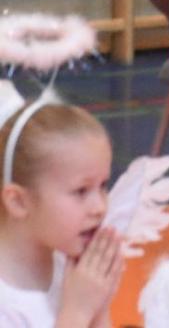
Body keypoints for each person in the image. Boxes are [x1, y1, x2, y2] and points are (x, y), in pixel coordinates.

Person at [0, 102, 123, 328]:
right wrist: (78, 311)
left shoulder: (69, 266)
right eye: (81, 191)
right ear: (18, 202)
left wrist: (99, 307)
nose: (100, 207)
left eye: (103, 186)